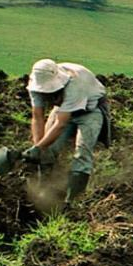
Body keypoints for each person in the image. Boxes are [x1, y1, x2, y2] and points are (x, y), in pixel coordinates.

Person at [23, 58, 110, 203]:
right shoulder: (35, 87)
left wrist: (39, 148)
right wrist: (38, 148)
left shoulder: (75, 84)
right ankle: (43, 190)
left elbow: (61, 124)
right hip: (62, 109)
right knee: (48, 150)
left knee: (82, 152)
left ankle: (73, 200)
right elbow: (37, 117)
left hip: (90, 111)